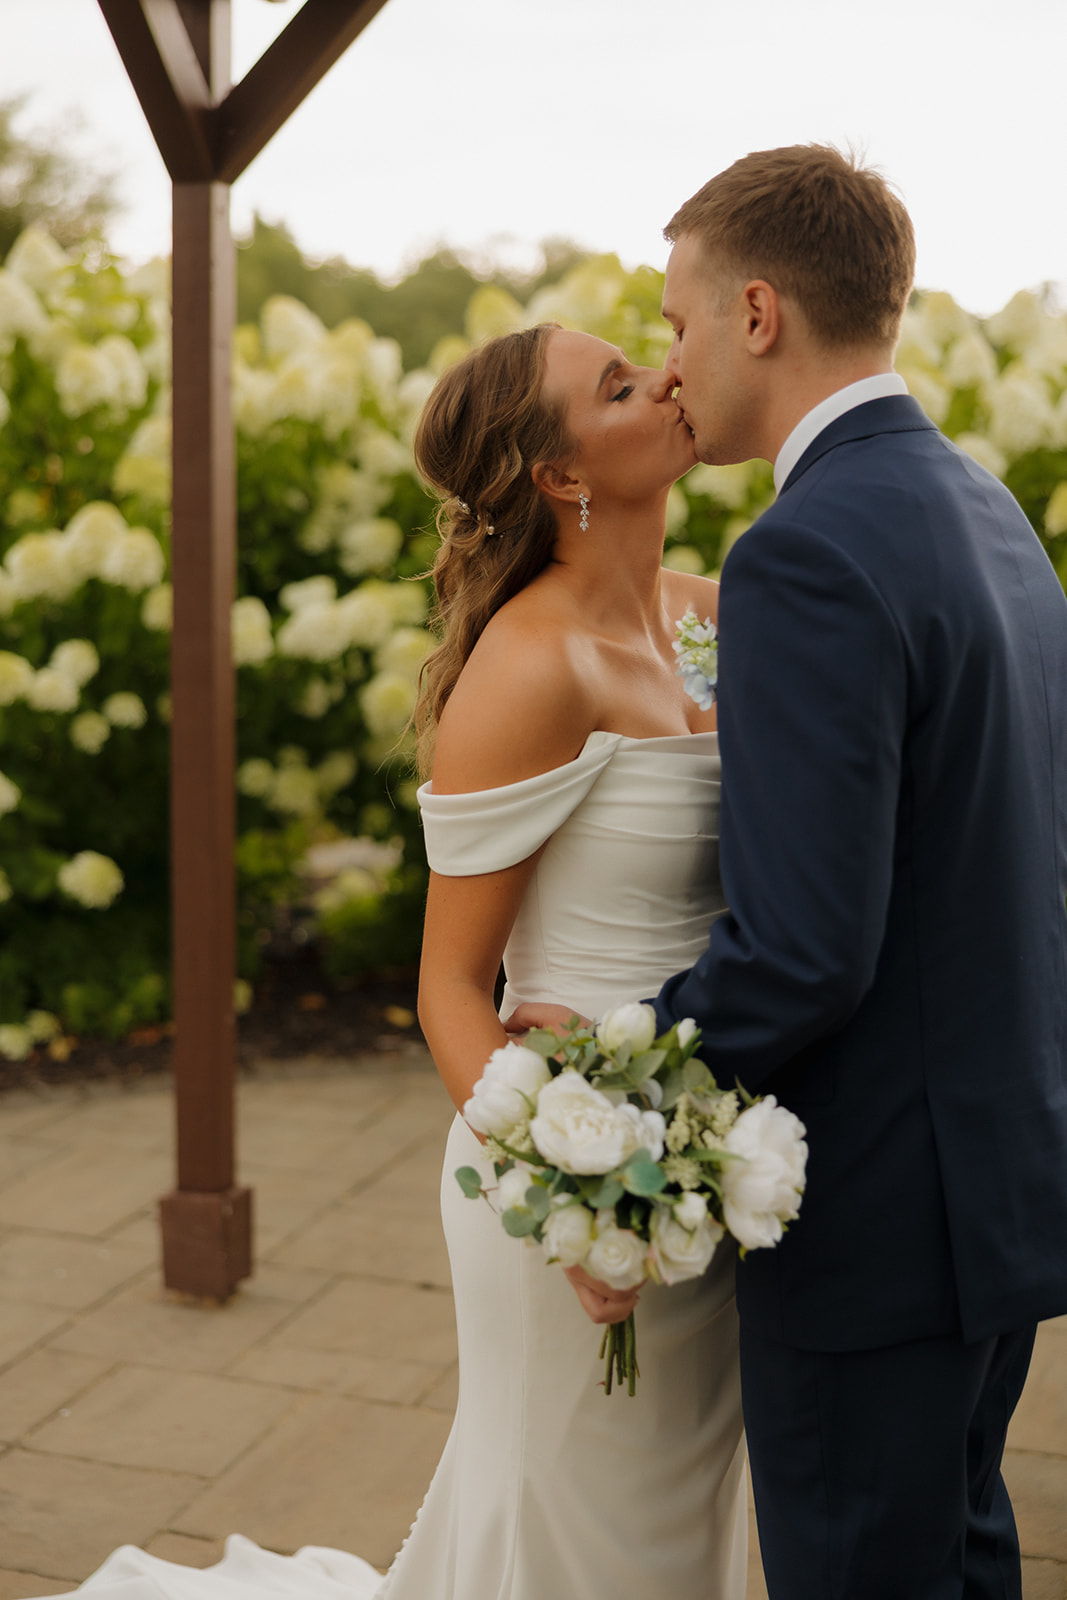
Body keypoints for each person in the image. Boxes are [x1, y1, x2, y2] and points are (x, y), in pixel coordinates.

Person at [27, 324, 748, 1598]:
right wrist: (574, 1191)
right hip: (562, 1176)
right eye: (620, 388)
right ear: (558, 476)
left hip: (705, 1155)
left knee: (679, 1524)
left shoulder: (711, 620)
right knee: (572, 1531)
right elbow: (445, 990)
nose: (669, 380)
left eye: (647, 361)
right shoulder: (530, 667)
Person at [513, 145, 1067, 1599]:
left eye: (677, 322)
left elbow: (804, 948)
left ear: (756, 312)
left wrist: (607, 1122)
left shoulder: (803, 551)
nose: (673, 364)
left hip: (878, 1221)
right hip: (993, 1190)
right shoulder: (988, 511)